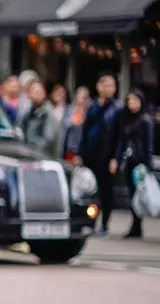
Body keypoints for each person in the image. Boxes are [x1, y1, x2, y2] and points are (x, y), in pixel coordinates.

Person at [74, 73, 121, 235]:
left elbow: (118, 136)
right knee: (90, 189)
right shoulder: (92, 106)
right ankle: (90, 221)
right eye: (104, 85)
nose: (107, 88)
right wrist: (80, 152)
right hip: (90, 153)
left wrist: (115, 157)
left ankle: (105, 223)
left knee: (105, 190)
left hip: (106, 155)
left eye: (110, 85)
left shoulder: (117, 109)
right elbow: (84, 131)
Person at [110, 88, 154, 238]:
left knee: (139, 194)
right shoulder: (124, 118)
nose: (132, 104)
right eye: (130, 101)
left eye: (135, 101)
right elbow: (121, 141)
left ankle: (137, 224)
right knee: (132, 194)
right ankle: (135, 224)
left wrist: (147, 164)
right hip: (128, 161)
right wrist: (117, 158)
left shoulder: (145, 120)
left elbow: (148, 144)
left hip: (140, 162)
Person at [21, 81, 57, 154]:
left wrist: (33, 149)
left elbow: (48, 139)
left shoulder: (47, 113)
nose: (37, 94)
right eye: (34, 91)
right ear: (29, 94)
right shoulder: (28, 113)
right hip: (27, 153)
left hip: (39, 154)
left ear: (44, 94)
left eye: (39, 92)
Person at [58, 86, 90, 161]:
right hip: (69, 151)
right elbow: (63, 132)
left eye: (85, 96)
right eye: (81, 95)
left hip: (82, 153)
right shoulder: (69, 111)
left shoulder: (90, 113)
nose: (83, 98)